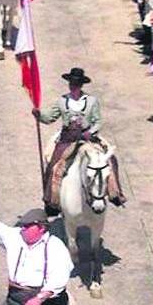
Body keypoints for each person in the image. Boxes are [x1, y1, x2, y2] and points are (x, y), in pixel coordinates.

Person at [32, 68, 102, 213]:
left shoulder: (92, 101)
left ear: (81, 85)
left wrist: (90, 132)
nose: (73, 86)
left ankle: (114, 193)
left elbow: (98, 121)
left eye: (76, 84)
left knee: (107, 161)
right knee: (53, 165)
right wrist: (39, 114)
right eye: (71, 83)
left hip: (86, 137)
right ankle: (52, 201)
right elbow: (50, 117)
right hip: (67, 138)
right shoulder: (62, 101)